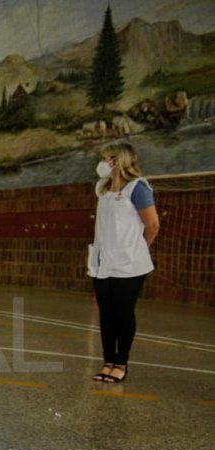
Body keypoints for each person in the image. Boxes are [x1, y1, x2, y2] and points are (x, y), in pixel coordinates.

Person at [88, 142, 159, 383]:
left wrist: (138, 249)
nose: (102, 163)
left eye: (106, 158)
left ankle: (121, 363)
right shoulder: (102, 187)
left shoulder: (138, 188)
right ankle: (108, 361)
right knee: (106, 314)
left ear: (119, 160)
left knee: (123, 313)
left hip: (130, 265)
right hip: (102, 263)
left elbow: (152, 225)